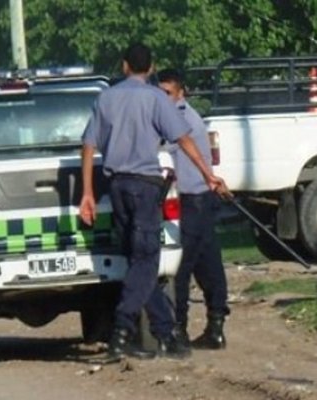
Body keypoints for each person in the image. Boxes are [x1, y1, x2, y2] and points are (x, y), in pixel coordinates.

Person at [79, 43, 226, 362]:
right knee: (146, 261)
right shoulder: (156, 98)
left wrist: (87, 192)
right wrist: (207, 174)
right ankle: (121, 330)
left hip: (116, 186)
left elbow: (88, 146)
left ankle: (167, 333)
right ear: (151, 66)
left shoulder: (107, 97)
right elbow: (183, 138)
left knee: (137, 263)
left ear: (124, 66)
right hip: (145, 188)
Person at [157, 68, 230, 350]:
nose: (163, 99)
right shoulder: (178, 116)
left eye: (167, 94)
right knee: (207, 264)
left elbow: (159, 149)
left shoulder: (181, 119)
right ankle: (215, 327)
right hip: (197, 199)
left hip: (193, 201)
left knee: (182, 266)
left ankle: (180, 329)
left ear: (180, 93)